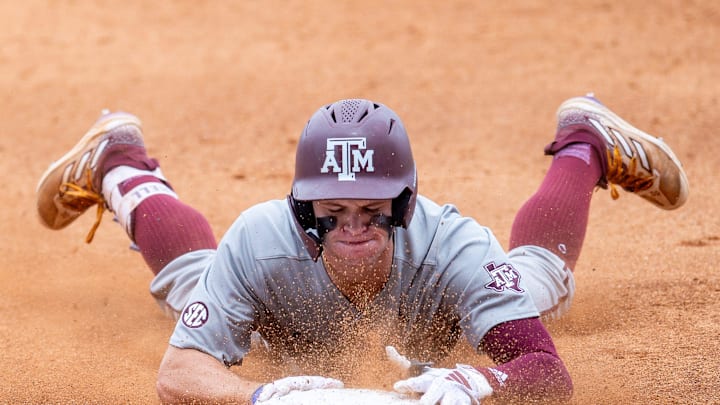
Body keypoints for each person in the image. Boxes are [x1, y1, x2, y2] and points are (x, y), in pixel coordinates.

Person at [36, 94, 688, 404]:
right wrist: (262, 398)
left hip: (450, 306)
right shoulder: (262, 242)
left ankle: (584, 142)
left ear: (404, 204)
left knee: (539, 282)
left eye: (371, 211)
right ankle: (120, 165)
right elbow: (176, 374)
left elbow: (549, 372)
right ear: (302, 209)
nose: (352, 227)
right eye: (333, 210)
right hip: (271, 317)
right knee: (193, 280)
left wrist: (480, 377)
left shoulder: (455, 248)